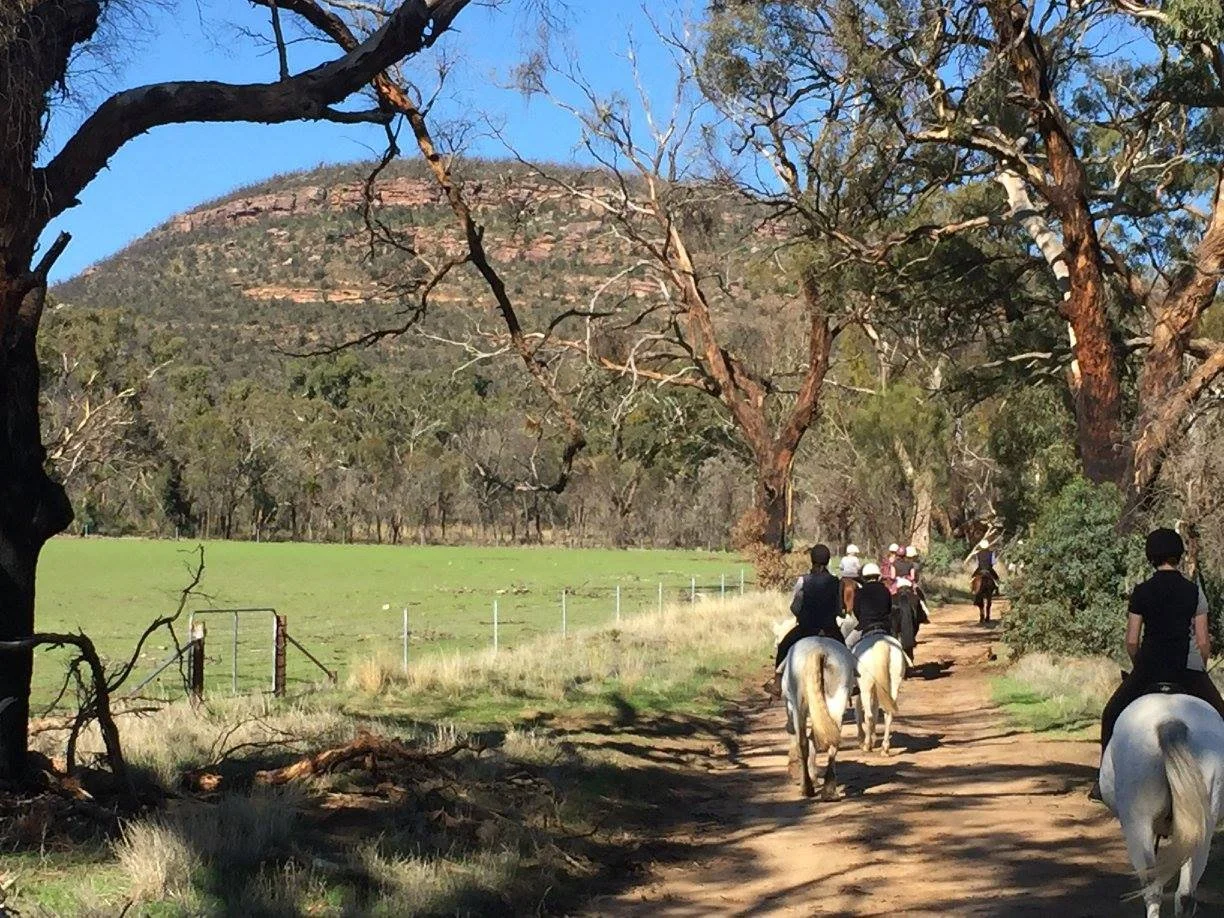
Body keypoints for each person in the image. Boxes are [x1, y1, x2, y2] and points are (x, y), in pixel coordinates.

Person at [1091, 528, 1224, 800]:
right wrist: (1200, 666)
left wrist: (1139, 666)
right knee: (1221, 714)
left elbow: (1131, 640)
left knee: (1110, 714)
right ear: (1178, 556)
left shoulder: (1141, 591)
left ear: (1151, 557)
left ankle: (1101, 781)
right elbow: (1202, 641)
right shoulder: (1193, 592)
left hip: (1149, 668)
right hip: (1187, 670)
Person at [766, 543, 844, 698]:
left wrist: (801, 615)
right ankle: (853, 681)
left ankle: (777, 681)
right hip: (829, 629)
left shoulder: (803, 581)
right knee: (845, 649)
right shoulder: (836, 582)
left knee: (783, 646)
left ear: (811, 560)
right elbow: (839, 608)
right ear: (828, 561)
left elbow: (795, 606)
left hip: (806, 629)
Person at [847, 562, 893, 647]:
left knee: (847, 644)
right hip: (884, 626)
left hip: (865, 626)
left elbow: (856, 611)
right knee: (898, 645)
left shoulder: (860, 592)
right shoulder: (886, 590)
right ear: (878, 576)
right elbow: (889, 609)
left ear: (864, 577)